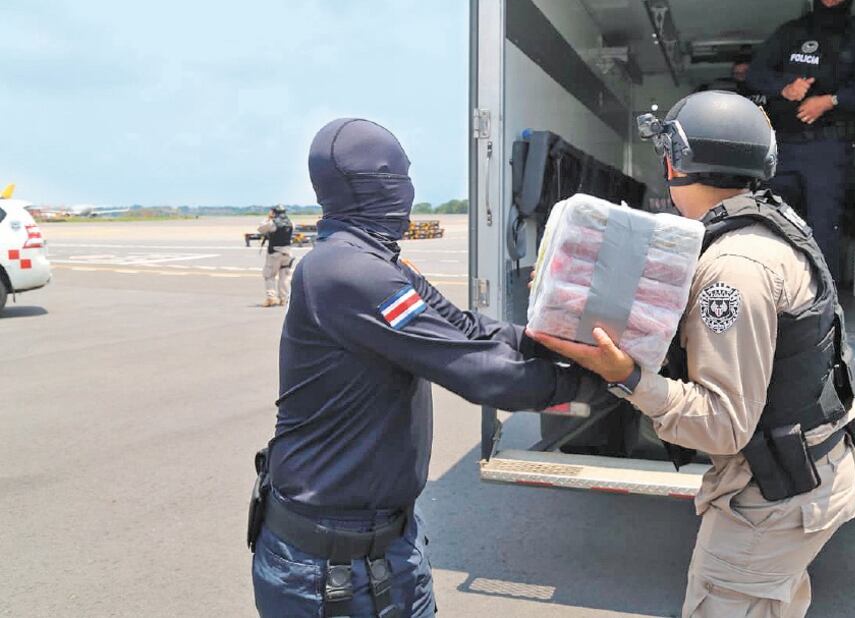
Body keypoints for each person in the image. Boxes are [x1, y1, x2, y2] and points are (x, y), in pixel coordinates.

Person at [531, 91, 855, 618]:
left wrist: (625, 375)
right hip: (801, 479)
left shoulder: (734, 267)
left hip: (773, 501)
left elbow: (723, 425)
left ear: (675, 162)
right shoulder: (764, 225)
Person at [248, 118, 599, 617]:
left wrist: (560, 340)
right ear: (374, 185)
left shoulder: (383, 265)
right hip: (325, 568)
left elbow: (467, 327)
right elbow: (481, 372)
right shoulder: (345, 272)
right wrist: (605, 380)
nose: (409, 193)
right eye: (399, 178)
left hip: (388, 548)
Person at [746, 0, 855, 280]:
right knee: (776, 218)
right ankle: (774, 291)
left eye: (836, 0)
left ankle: (823, 302)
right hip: (784, 143)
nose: (828, 4)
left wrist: (830, 101)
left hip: (829, 146)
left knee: (824, 225)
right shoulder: (791, 32)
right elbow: (756, 73)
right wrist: (785, 86)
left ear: (848, 0)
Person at [258, 204, 295, 307]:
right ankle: (284, 298)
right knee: (285, 277)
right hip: (287, 253)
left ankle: (271, 298)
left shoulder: (272, 223)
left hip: (275, 253)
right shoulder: (290, 223)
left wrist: (268, 218)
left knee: (269, 275)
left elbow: (260, 228)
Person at [696, 55, 767, 108]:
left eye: (745, 72)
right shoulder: (726, 90)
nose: (741, 75)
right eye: (737, 73)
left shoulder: (769, 88)